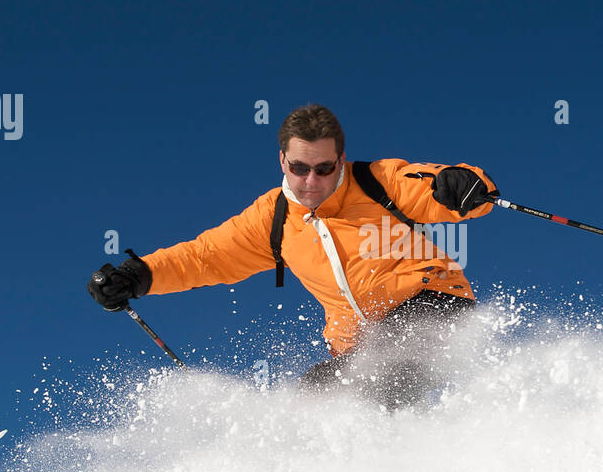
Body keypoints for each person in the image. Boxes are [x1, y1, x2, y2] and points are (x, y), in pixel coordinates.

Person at [87, 103, 498, 409]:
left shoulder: (378, 182)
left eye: (324, 168)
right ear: (282, 160)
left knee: (378, 382)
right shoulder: (274, 218)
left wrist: (463, 184)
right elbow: (207, 256)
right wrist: (138, 276)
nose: (311, 181)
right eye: (300, 167)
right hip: (358, 341)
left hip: (431, 304)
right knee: (307, 404)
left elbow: (437, 187)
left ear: (340, 160)